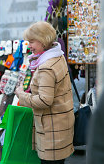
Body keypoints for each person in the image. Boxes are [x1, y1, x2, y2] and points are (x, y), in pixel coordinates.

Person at [14, 21, 75, 164]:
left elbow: (44, 101)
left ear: (43, 40)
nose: (29, 46)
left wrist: (21, 94)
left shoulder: (46, 67)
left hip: (51, 130)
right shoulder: (58, 56)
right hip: (61, 125)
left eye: (32, 41)